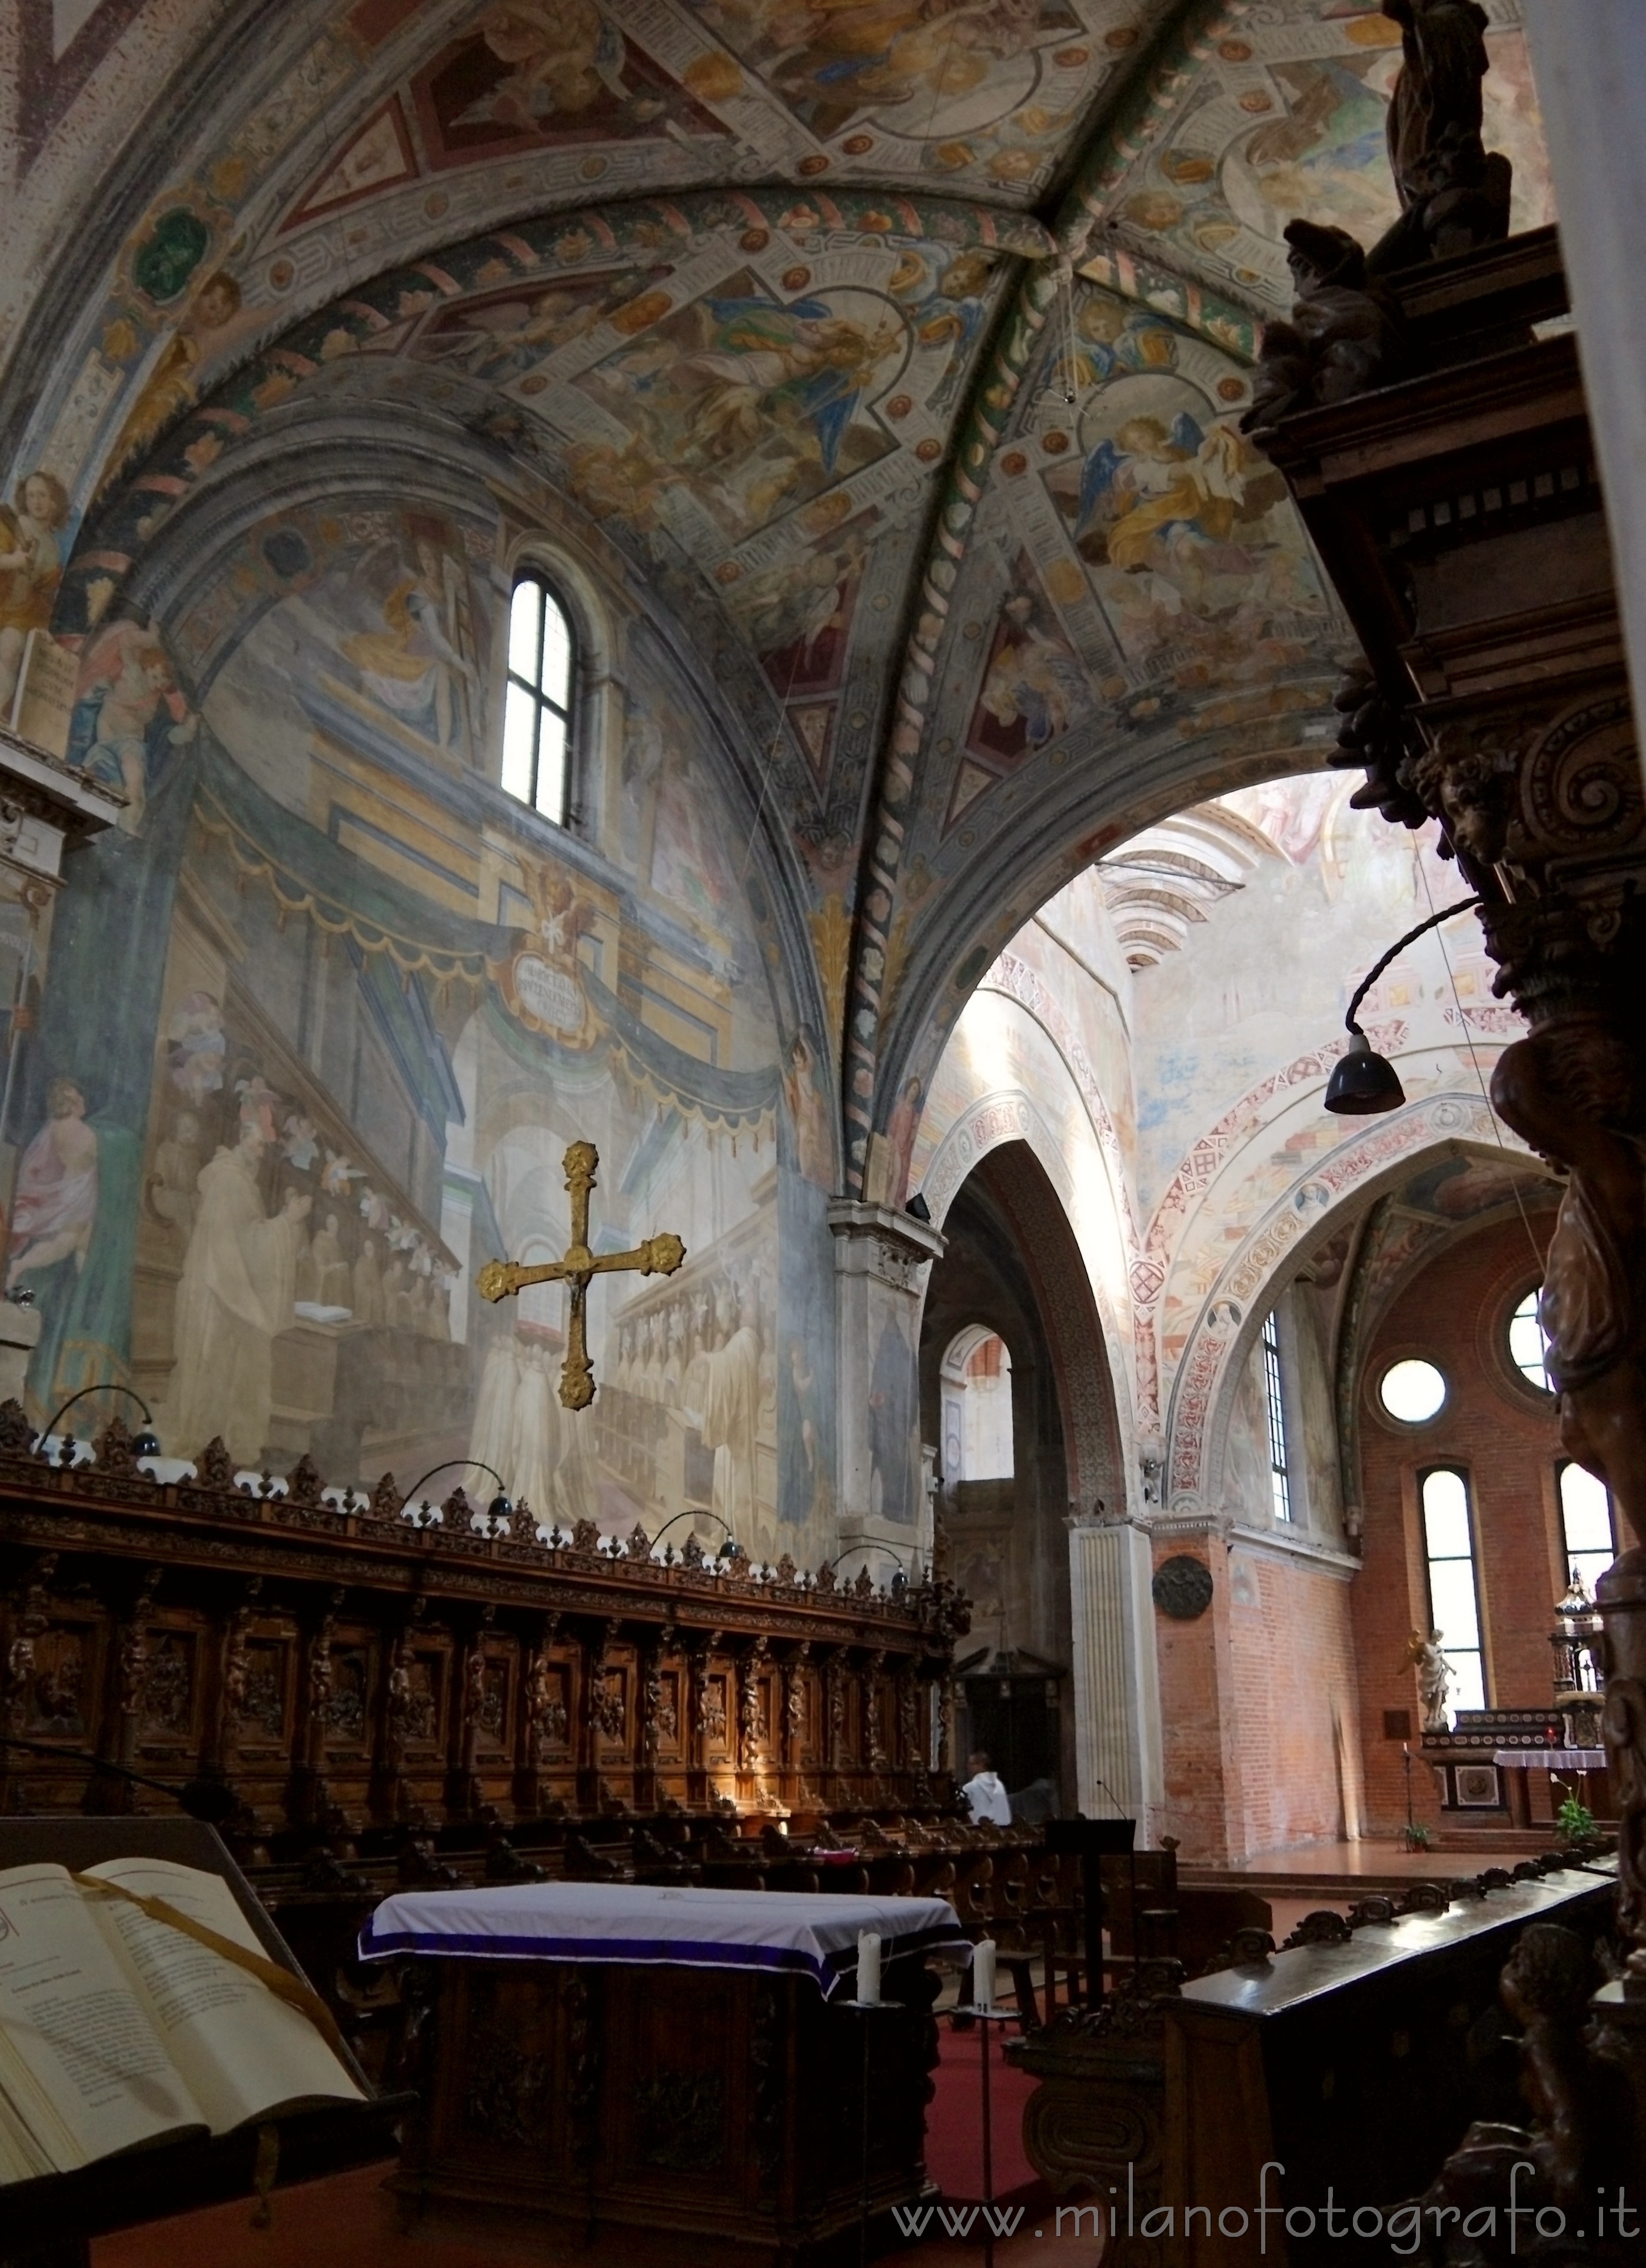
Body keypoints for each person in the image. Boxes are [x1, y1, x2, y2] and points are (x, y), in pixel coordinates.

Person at [960, 1749, 1012, 1828]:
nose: (968, 1768)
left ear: (981, 1765)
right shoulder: (999, 1785)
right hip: (1002, 1833)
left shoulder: (970, 1788)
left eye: (971, 1764)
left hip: (978, 1833)